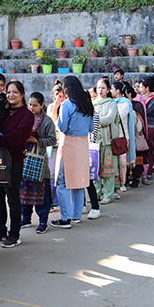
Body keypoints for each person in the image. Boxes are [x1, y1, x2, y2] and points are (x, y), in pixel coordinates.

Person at [0, 80, 34, 248]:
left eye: (15, 92)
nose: (11, 95)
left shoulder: (27, 115)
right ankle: (0, 230)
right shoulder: (3, 112)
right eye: (8, 92)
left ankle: (14, 234)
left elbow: (16, 138)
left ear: (22, 94)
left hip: (14, 160)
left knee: (12, 198)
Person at [50, 76, 93, 229]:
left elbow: (62, 127)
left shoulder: (67, 105)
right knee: (79, 182)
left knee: (62, 182)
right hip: (82, 143)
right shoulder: (87, 105)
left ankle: (65, 218)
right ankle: (76, 216)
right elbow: (90, 128)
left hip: (68, 142)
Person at [21, 92, 57, 234]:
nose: (32, 107)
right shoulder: (25, 118)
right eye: (30, 104)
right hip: (25, 158)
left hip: (40, 162)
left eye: (35, 105)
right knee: (24, 189)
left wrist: (38, 141)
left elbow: (53, 140)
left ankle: (43, 221)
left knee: (42, 192)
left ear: (42, 105)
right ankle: (26, 218)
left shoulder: (47, 121)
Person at [92, 78, 122, 204]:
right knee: (95, 168)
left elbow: (109, 119)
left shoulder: (111, 103)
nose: (100, 90)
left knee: (108, 169)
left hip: (107, 140)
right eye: (99, 87)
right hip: (94, 140)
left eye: (103, 88)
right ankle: (97, 193)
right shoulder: (93, 103)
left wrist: (95, 120)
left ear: (108, 90)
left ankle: (108, 194)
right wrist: (99, 120)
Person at [111, 82, 135, 191]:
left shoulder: (125, 103)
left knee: (122, 162)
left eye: (112, 89)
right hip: (112, 135)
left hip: (122, 136)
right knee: (113, 162)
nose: (111, 91)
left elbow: (119, 116)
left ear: (118, 90)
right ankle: (114, 184)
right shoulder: (110, 102)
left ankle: (122, 182)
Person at [141, 79, 154, 181]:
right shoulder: (142, 98)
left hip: (150, 127)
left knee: (150, 150)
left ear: (147, 88)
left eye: (141, 87)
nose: (140, 89)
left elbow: (148, 112)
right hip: (142, 127)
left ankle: (149, 172)